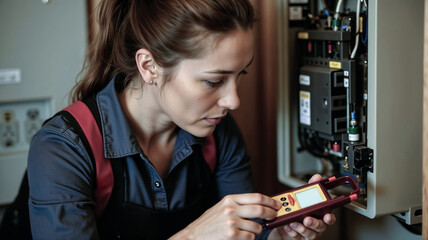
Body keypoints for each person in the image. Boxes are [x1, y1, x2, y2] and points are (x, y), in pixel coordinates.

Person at [27, 0, 336, 239]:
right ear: (149, 66)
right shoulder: (63, 148)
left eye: (240, 74)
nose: (233, 101)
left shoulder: (218, 132)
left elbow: (250, 231)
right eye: (214, 81)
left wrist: (279, 234)